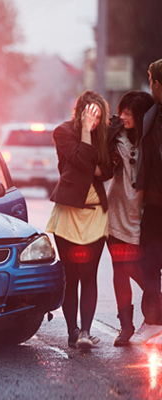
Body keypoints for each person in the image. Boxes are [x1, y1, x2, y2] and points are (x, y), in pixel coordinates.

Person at [46, 90, 112, 349]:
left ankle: (85, 332)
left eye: (98, 116)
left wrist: (92, 163)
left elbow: (107, 169)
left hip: (96, 214)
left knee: (90, 275)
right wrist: (85, 132)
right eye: (90, 114)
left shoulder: (104, 137)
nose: (94, 121)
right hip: (69, 213)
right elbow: (83, 160)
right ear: (81, 111)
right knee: (70, 275)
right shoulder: (62, 132)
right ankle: (72, 332)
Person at [106, 90, 154, 346]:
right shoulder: (116, 136)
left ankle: (154, 313)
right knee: (119, 270)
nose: (123, 116)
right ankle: (126, 325)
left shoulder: (151, 140)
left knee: (141, 270)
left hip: (143, 216)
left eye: (129, 113)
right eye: (121, 110)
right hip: (116, 213)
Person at [130, 59, 162, 344]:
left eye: (152, 81)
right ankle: (154, 318)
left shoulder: (158, 119)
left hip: (156, 205)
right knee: (146, 262)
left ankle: (154, 320)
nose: (150, 86)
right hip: (153, 205)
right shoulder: (154, 115)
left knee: (147, 263)